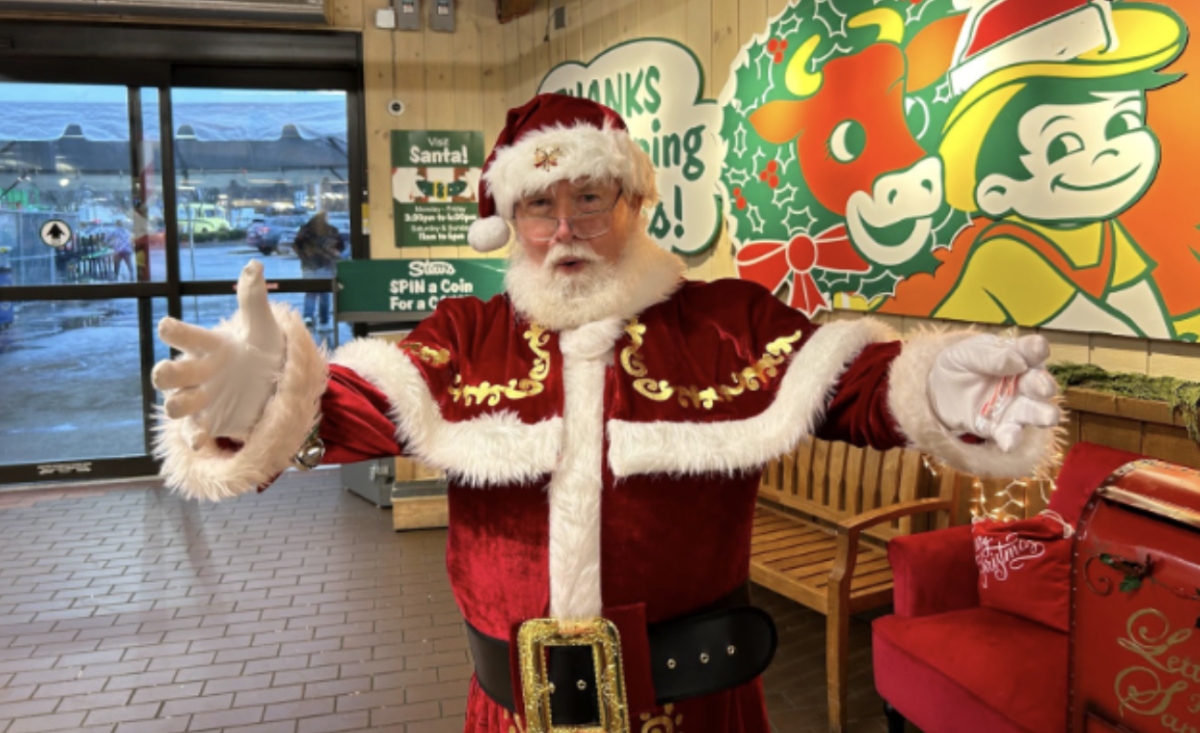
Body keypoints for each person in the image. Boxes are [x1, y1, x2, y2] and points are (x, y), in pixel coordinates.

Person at [151, 94, 1061, 733]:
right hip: (511, 711)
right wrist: (263, 399)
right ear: (509, 222)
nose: (565, 226)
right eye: (538, 205)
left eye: (588, 196)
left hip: (698, 705)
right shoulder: (469, 335)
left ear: (631, 201)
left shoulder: (726, 322)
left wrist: (943, 389)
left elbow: (857, 381)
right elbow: (346, 410)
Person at [293, 210, 344, 329]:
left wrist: (305, 257)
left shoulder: (305, 230)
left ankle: (308, 317)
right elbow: (340, 246)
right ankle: (324, 320)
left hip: (309, 266)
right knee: (325, 294)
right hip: (326, 265)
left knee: (311, 293)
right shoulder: (331, 230)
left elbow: (296, 246)